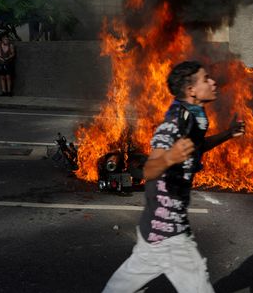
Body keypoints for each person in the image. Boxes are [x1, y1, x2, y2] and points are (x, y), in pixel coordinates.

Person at [102, 61, 245, 293]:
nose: (213, 81)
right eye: (206, 78)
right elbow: (148, 170)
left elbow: (197, 146)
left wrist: (228, 134)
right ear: (191, 90)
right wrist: (170, 157)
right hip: (169, 233)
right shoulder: (174, 124)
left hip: (156, 228)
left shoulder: (195, 118)